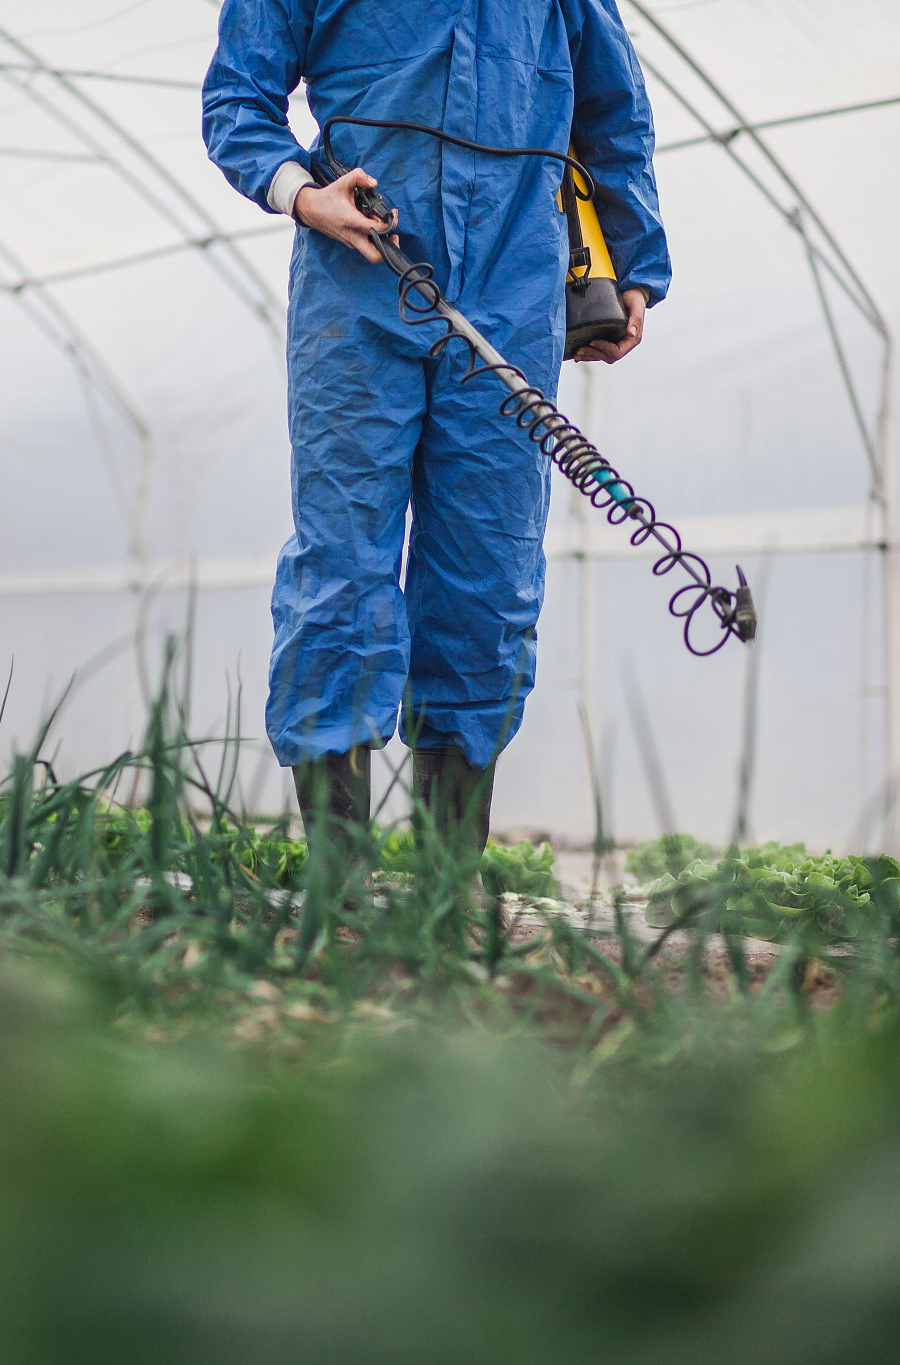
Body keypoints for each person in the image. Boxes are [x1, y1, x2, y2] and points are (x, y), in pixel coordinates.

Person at [202, 1, 670, 884]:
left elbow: (612, 107)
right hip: (361, 283)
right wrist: (303, 192)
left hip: (516, 285)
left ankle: (446, 886)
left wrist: (631, 262)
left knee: (488, 576)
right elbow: (238, 96)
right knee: (343, 564)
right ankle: (336, 876)